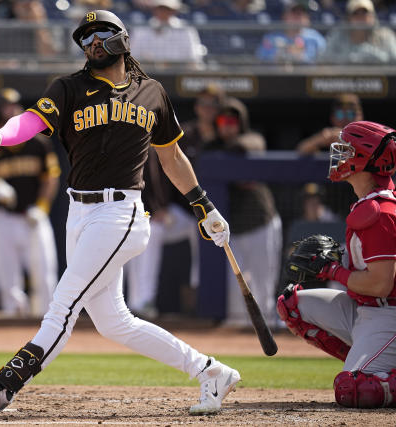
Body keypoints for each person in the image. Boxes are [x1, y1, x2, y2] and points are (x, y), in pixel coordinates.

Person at [0, 9, 240, 416]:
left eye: (100, 33)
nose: (91, 42)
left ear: (122, 38)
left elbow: (172, 156)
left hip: (120, 213)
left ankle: (2, 387)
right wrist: (0, 136)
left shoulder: (151, 92)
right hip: (80, 211)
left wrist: (203, 204)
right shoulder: (70, 87)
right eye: (84, 37)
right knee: (114, 322)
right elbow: (33, 120)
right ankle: (211, 371)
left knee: (64, 305)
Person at [277, 120, 396, 408]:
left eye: (346, 150)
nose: (339, 157)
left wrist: (332, 270)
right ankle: (369, 358)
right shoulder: (369, 202)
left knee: (355, 390)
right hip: (364, 308)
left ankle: (372, 367)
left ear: (364, 159)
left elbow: (381, 284)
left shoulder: (380, 212)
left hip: (388, 313)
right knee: (292, 304)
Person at [0, 88, 61, 317]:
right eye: (6, 107)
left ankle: (47, 324)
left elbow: (51, 177)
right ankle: (12, 325)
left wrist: (42, 207)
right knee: (7, 280)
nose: (12, 111)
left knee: (43, 275)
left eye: (14, 106)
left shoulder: (38, 143)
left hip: (33, 216)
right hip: (3, 218)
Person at [204, 97, 282, 328]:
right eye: (222, 120)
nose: (227, 125)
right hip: (231, 228)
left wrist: (227, 153)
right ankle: (239, 336)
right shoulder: (210, 147)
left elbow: (250, 145)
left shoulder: (252, 138)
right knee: (232, 287)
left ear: (241, 123)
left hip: (260, 220)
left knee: (263, 282)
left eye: (232, 120)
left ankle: (267, 324)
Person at [125, 145, 200, 317]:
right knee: (144, 232)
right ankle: (139, 301)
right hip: (146, 212)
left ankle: (196, 286)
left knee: (155, 231)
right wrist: (154, 210)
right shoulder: (133, 146)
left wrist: (160, 208)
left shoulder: (165, 144)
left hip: (176, 212)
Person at [319, 0, 396, 64]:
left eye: (365, 13)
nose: (361, 18)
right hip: (343, 80)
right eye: (356, 13)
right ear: (348, 18)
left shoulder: (386, 36)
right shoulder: (338, 34)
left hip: (381, 80)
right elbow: (323, 59)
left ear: (372, 17)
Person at [130, 0, 205, 64]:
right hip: (148, 75)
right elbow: (133, 58)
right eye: (160, 8)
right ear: (154, 9)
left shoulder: (185, 30)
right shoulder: (140, 30)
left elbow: (193, 58)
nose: (163, 12)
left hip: (179, 74)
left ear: (174, 11)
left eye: (167, 9)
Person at [256, 0, 326, 64]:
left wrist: (301, 57)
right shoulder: (271, 38)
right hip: (277, 76)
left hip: (308, 76)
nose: (299, 16)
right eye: (295, 12)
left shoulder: (316, 38)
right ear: (284, 16)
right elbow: (260, 59)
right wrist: (280, 56)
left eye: (303, 13)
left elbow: (326, 63)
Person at [296, 93, 363, 155]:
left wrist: (346, 140)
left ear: (360, 116)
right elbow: (300, 150)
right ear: (332, 117)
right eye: (340, 114)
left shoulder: (369, 136)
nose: (345, 119)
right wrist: (319, 140)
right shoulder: (328, 138)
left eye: (350, 114)